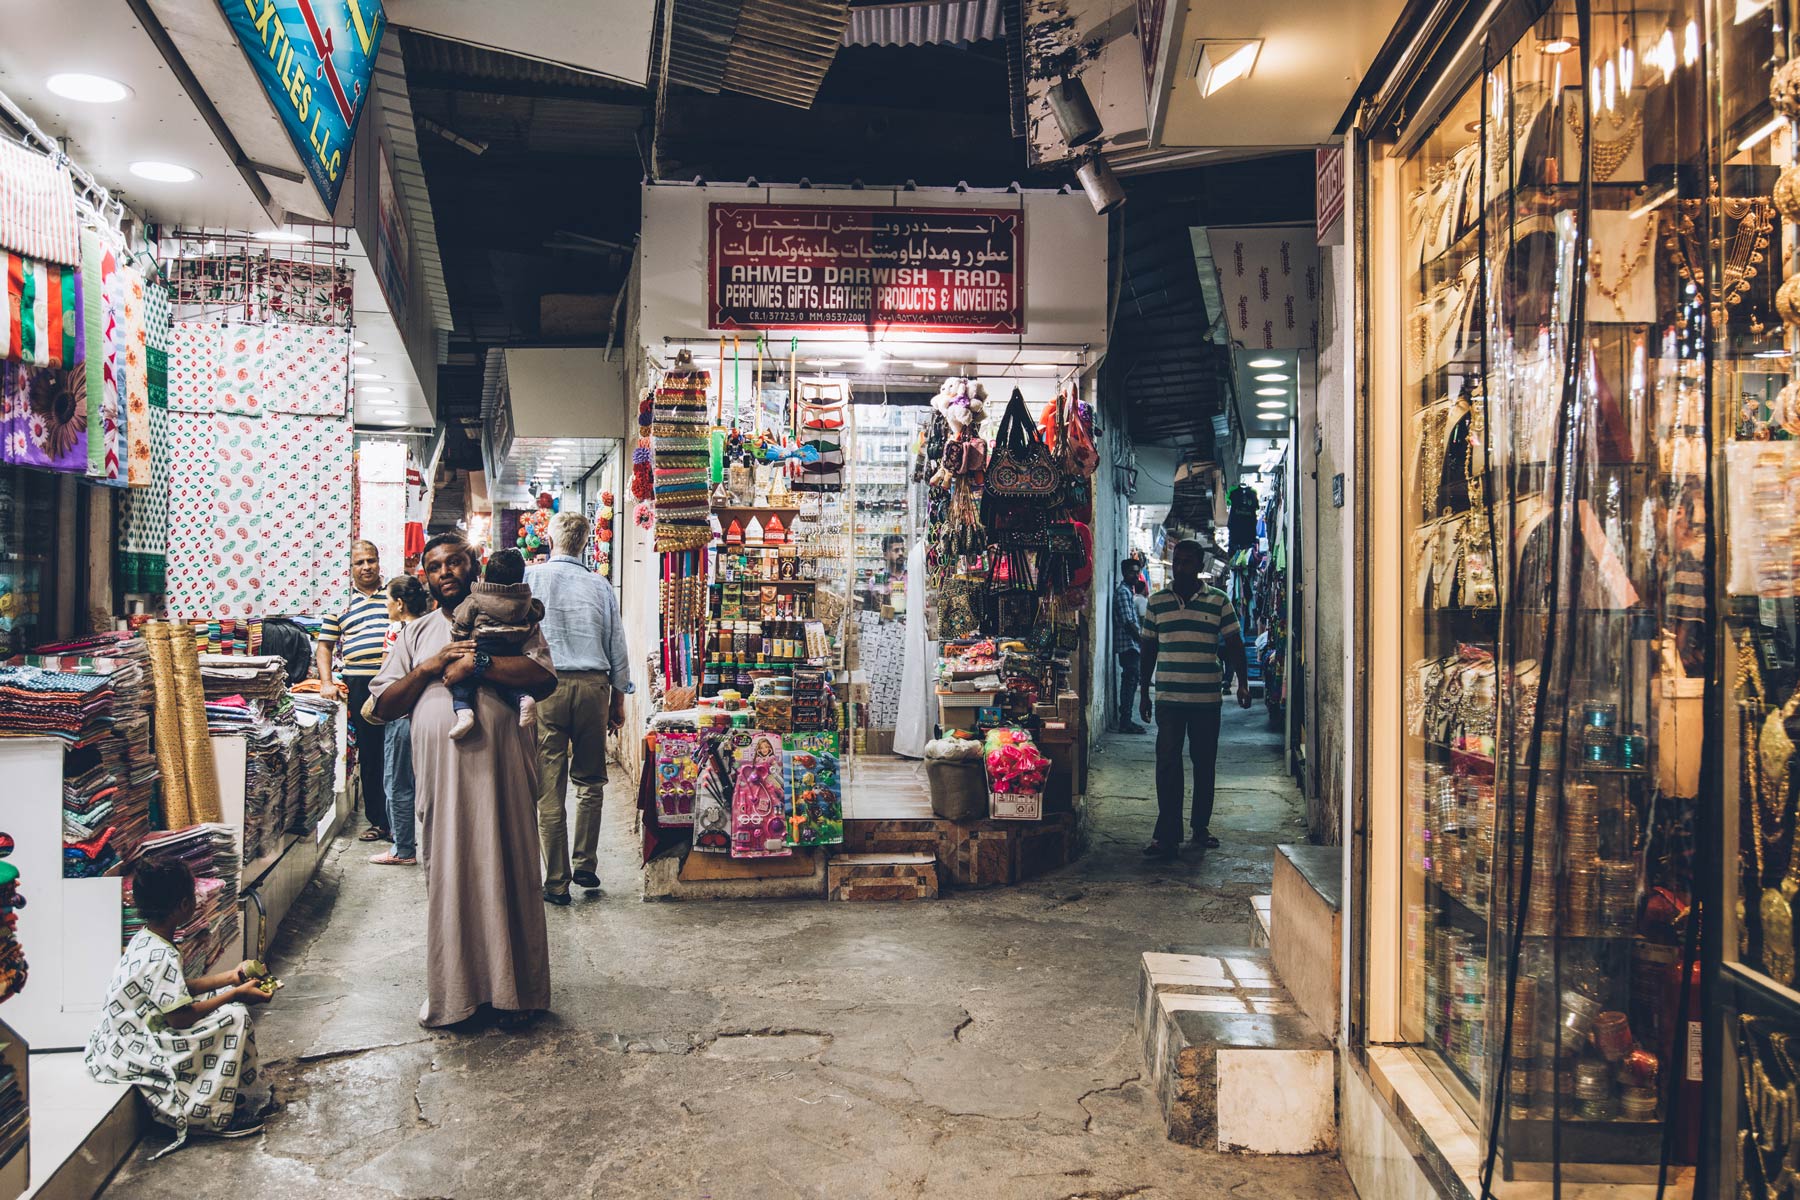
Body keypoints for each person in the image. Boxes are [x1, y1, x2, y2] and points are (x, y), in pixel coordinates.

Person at [371, 535, 558, 1027]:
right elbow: (383, 705)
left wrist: (481, 662)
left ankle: (517, 997)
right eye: (436, 566)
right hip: (444, 784)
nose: (446, 571)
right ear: (426, 577)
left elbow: (542, 678)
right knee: (452, 877)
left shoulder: (513, 621)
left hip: (503, 778)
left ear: (474, 569)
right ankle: (460, 997)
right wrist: (431, 667)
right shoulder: (417, 634)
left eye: (456, 562)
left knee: (512, 871)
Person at [85, 858, 274, 1154]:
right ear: (185, 905)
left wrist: (229, 978)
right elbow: (181, 1018)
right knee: (234, 1017)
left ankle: (222, 1093)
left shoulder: (146, 939)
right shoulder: (162, 955)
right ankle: (208, 1114)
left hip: (122, 1039)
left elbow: (177, 991)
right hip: (142, 1044)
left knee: (225, 1004)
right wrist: (236, 994)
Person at [527, 511, 634, 904]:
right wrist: (618, 698)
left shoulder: (531, 577)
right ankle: (585, 861)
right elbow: (615, 643)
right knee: (590, 780)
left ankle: (556, 882)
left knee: (549, 785)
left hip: (545, 687)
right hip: (594, 687)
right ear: (585, 544)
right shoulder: (600, 585)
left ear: (550, 540)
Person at [1139, 538, 1252, 860]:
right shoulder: (1157, 602)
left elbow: (1234, 643)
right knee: (1168, 765)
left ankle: (1200, 828)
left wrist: (1242, 683)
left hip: (1206, 699)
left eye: (1188, 562)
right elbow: (1148, 648)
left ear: (1200, 566)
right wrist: (1144, 691)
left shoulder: (1219, 601)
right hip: (1169, 698)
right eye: (1177, 561)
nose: (1180, 567)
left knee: (1204, 764)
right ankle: (1167, 834)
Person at [317, 541, 393, 845]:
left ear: (378, 563)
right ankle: (380, 822)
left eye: (371, 561)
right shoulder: (340, 602)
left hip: (393, 681)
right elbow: (325, 646)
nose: (366, 567)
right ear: (350, 568)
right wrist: (326, 682)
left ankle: (403, 818)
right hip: (359, 684)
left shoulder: (393, 597)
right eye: (359, 562)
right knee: (372, 754)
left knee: (399, 751)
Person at [446, 548, 544, 741]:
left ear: (484, 575)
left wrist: (459, 641)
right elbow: (537, 613)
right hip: (514, 648)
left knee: (462, 681)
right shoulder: (525, 601)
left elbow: (462, 620)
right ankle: (523, 699)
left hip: (484, 644)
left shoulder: (475, 600)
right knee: (504, 682)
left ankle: (464, 711)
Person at [368, 575, 430, 866]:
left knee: (397, 783)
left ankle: (403, 848)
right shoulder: (433, 626)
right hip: (429, 713)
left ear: (400, 604)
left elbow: (386, 675)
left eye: (388, 601)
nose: (387, 607)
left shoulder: (397, 630)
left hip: (402, 715)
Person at [1113, 558, 1147, 734]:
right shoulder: (1123, 593)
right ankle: (1125, 721)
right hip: (1128, 645)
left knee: (1131, 682)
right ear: (1124, 573)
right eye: (1132, 572)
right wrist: (1141, 640)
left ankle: (1126, 720)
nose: (1135, 575)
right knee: (1129, 682)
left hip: (1131, 645)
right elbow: (1127, 621)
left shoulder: (1127, 591)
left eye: (1137, 572)